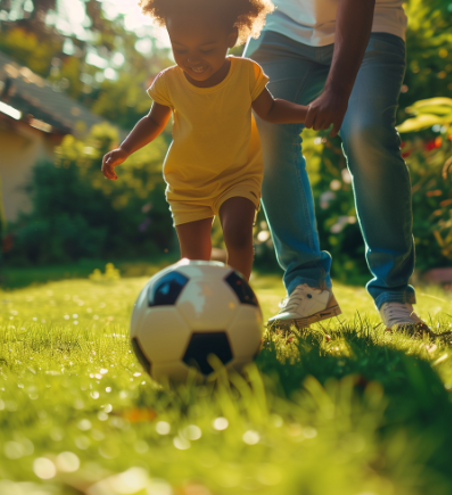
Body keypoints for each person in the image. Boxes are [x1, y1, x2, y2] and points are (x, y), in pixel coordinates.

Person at [244, 0, 425, 331]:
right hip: (282, 24)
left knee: (365, 131)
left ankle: (393, 294)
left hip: (372, 23)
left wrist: (338, 89)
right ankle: (308, 285)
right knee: (259, 130)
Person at [101, 0, 309, 281]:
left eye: (206, 49)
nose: (192, 59)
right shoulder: (168, 82)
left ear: (230, 38)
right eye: (180, 49)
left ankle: (239, 297)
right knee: (194, 261)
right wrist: (125, 149)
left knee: (237, 234)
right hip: (188, 184)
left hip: (238, 175)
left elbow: (270, 110)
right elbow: (153, 121)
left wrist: (308, 113)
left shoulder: (246, 73)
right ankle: (199, 308)